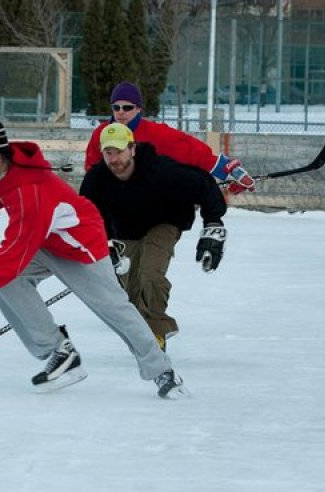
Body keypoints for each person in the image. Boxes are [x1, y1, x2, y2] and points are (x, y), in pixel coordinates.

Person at [0, 114, 186, 399]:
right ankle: (60, 352)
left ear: (3, 150)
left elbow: (15, 250)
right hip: (45, 241)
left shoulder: (30, 190)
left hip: (80, 245)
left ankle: (163, 372)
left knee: (115, 309)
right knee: (9, 285)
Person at [79, 123, 227, 351]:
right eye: (108, 153)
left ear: (132, 149)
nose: (114, 158)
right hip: (127, 230)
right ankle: (144, 328)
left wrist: (213, 224)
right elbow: (89, 217)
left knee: (150, 274)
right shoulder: (96, 180)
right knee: (131, 290)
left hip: (165, 222)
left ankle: (156, 333)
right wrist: (103, 244)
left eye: (119, 151)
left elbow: (203, 184)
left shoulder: (160, 170)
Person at [83, 80, 256, 195]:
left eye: (127, 107)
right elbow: (92, 169)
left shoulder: (156, 133)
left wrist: (229, 170)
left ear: (138, 109)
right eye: (116, 107)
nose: (120, 112)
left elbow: (192, 151)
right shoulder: (101, 133)